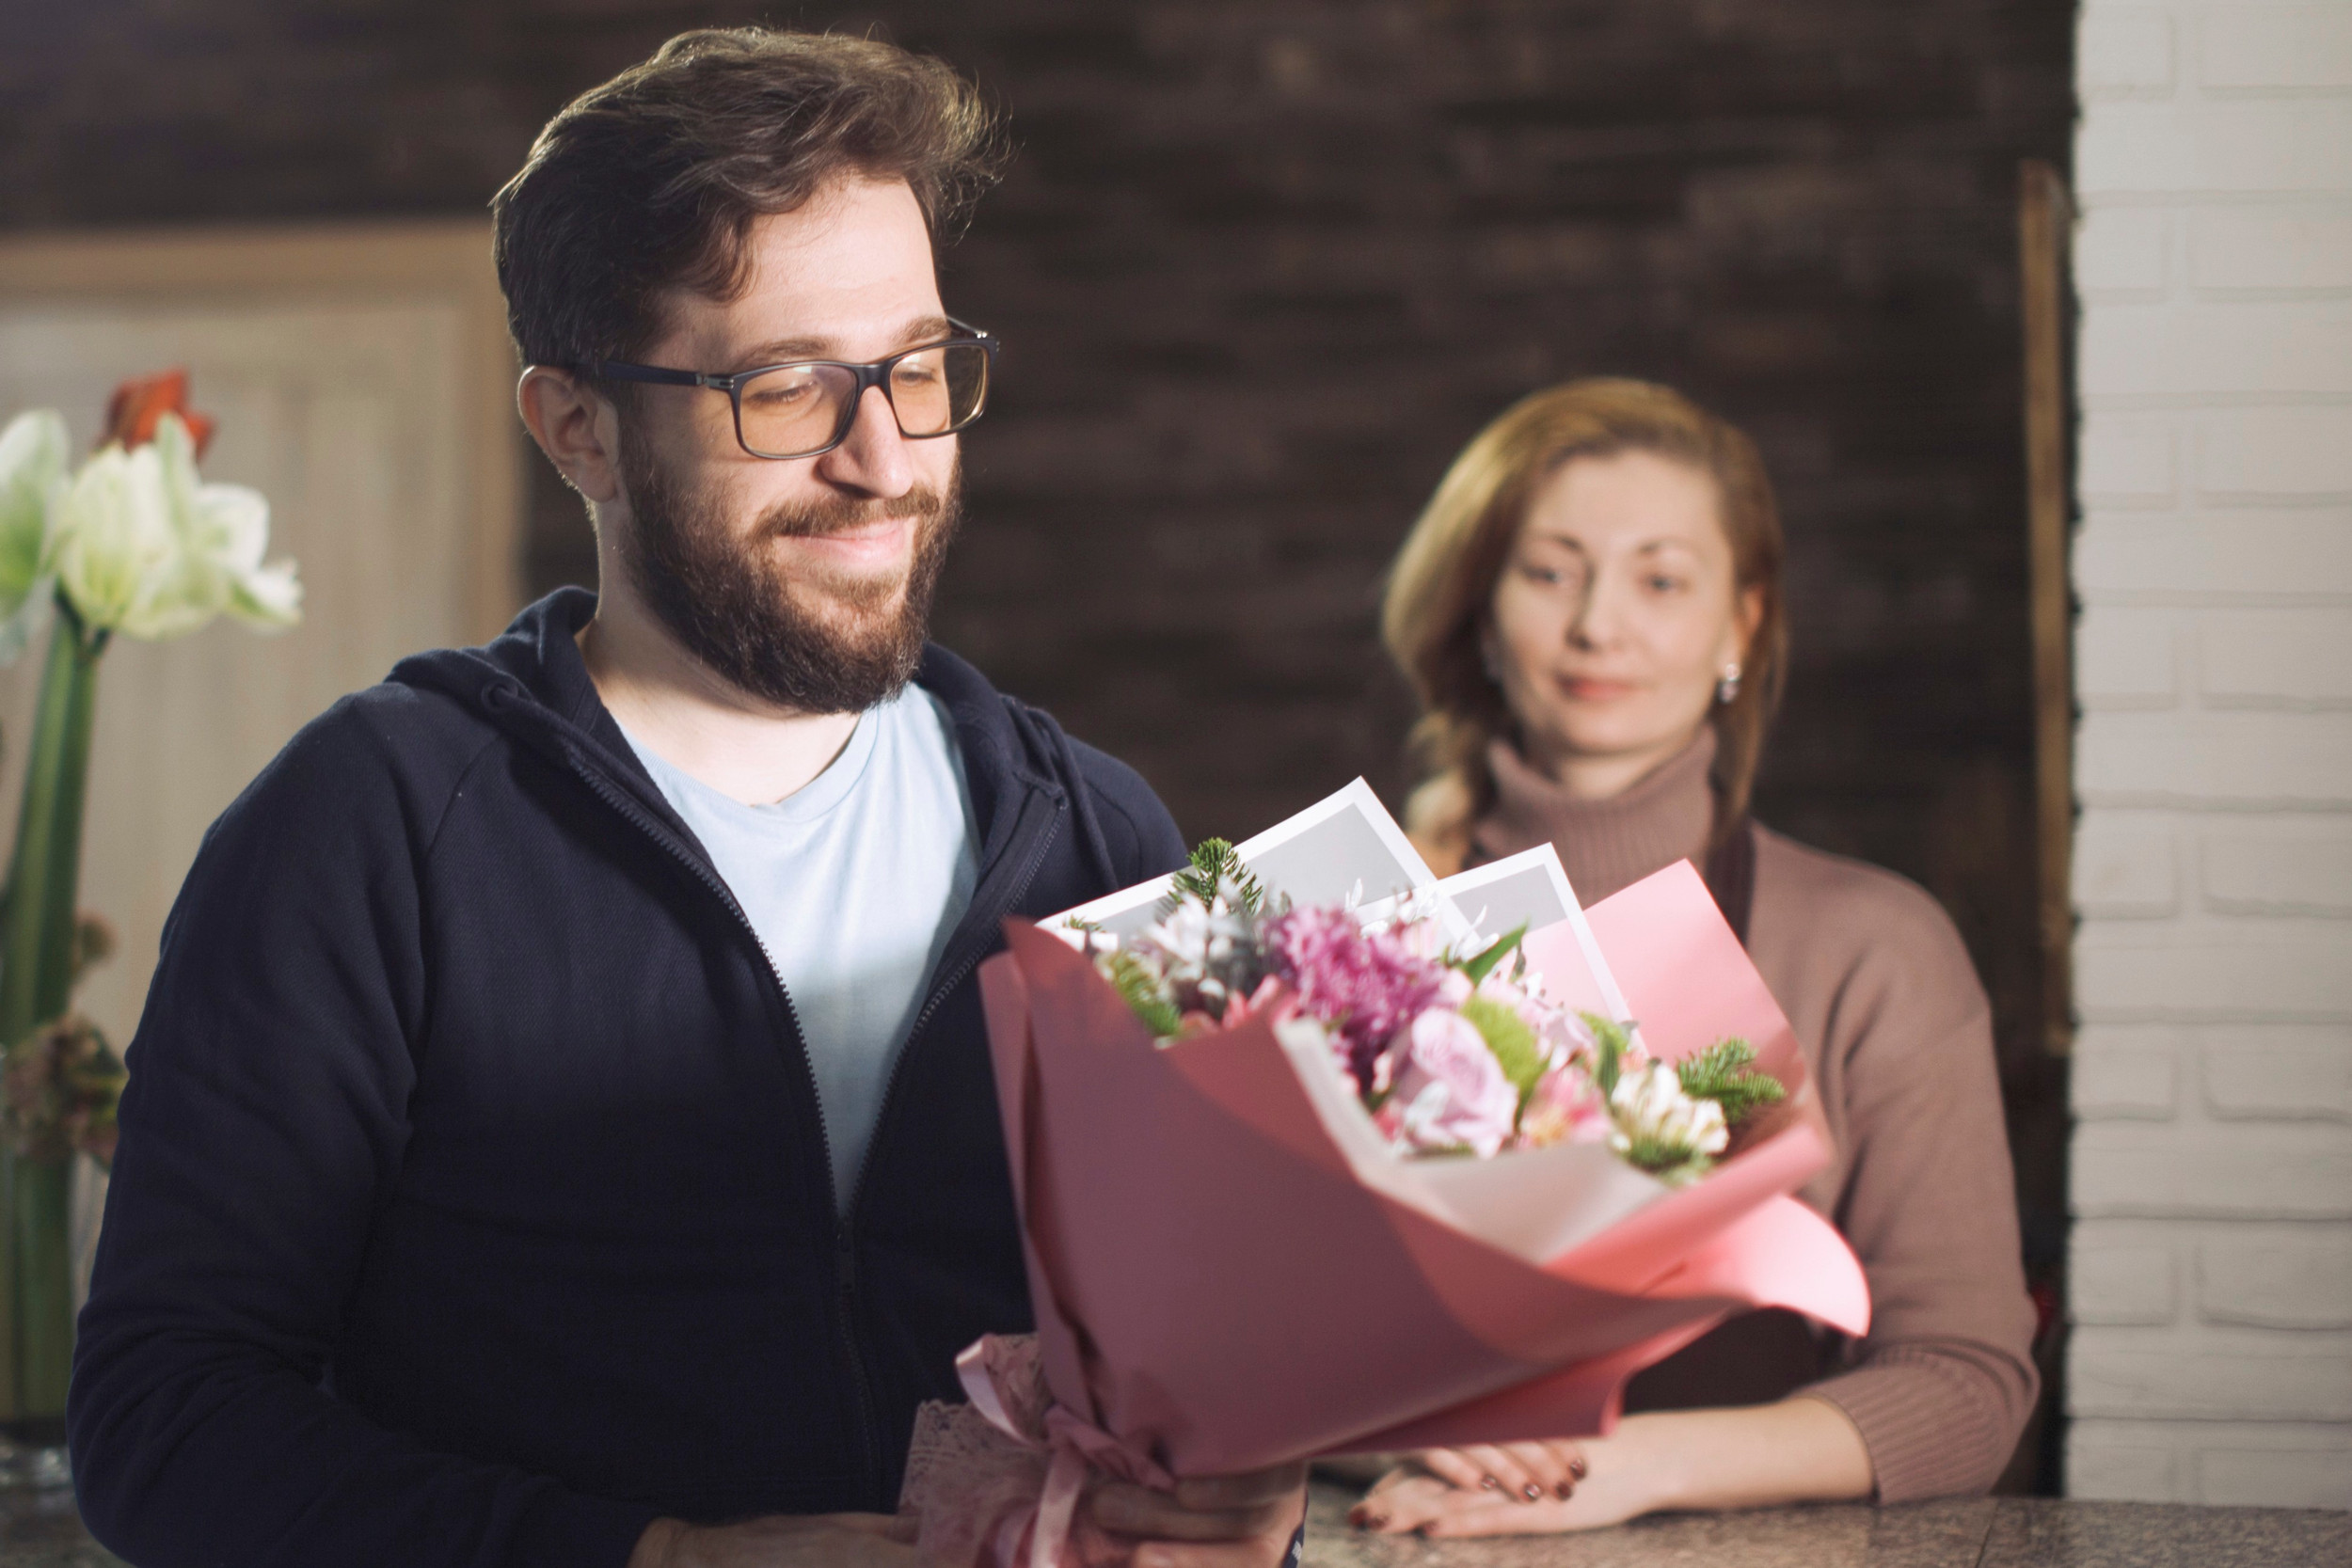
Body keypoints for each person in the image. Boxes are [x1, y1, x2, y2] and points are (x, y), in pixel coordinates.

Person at [67, 29, 1304, 1568]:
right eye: (787, 389)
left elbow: (1192, 1356)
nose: (884, 459)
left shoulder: (1094, 831)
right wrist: (650, 1557)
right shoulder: (365, 833)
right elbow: (161, 1425)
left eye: (918, 372)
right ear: (577, 424)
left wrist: (1244, 1495)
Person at [1353, 378, 2038, 1535]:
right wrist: (1376, 1414)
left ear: (1742, 623)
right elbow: (1207, 1338)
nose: (1597, 626)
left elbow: (1970, 1382)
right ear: (1478, 606)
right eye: (1549, 570)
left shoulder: (1873, 951)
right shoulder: (1352, 929)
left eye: (1660, 579)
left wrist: (1629, 1465)